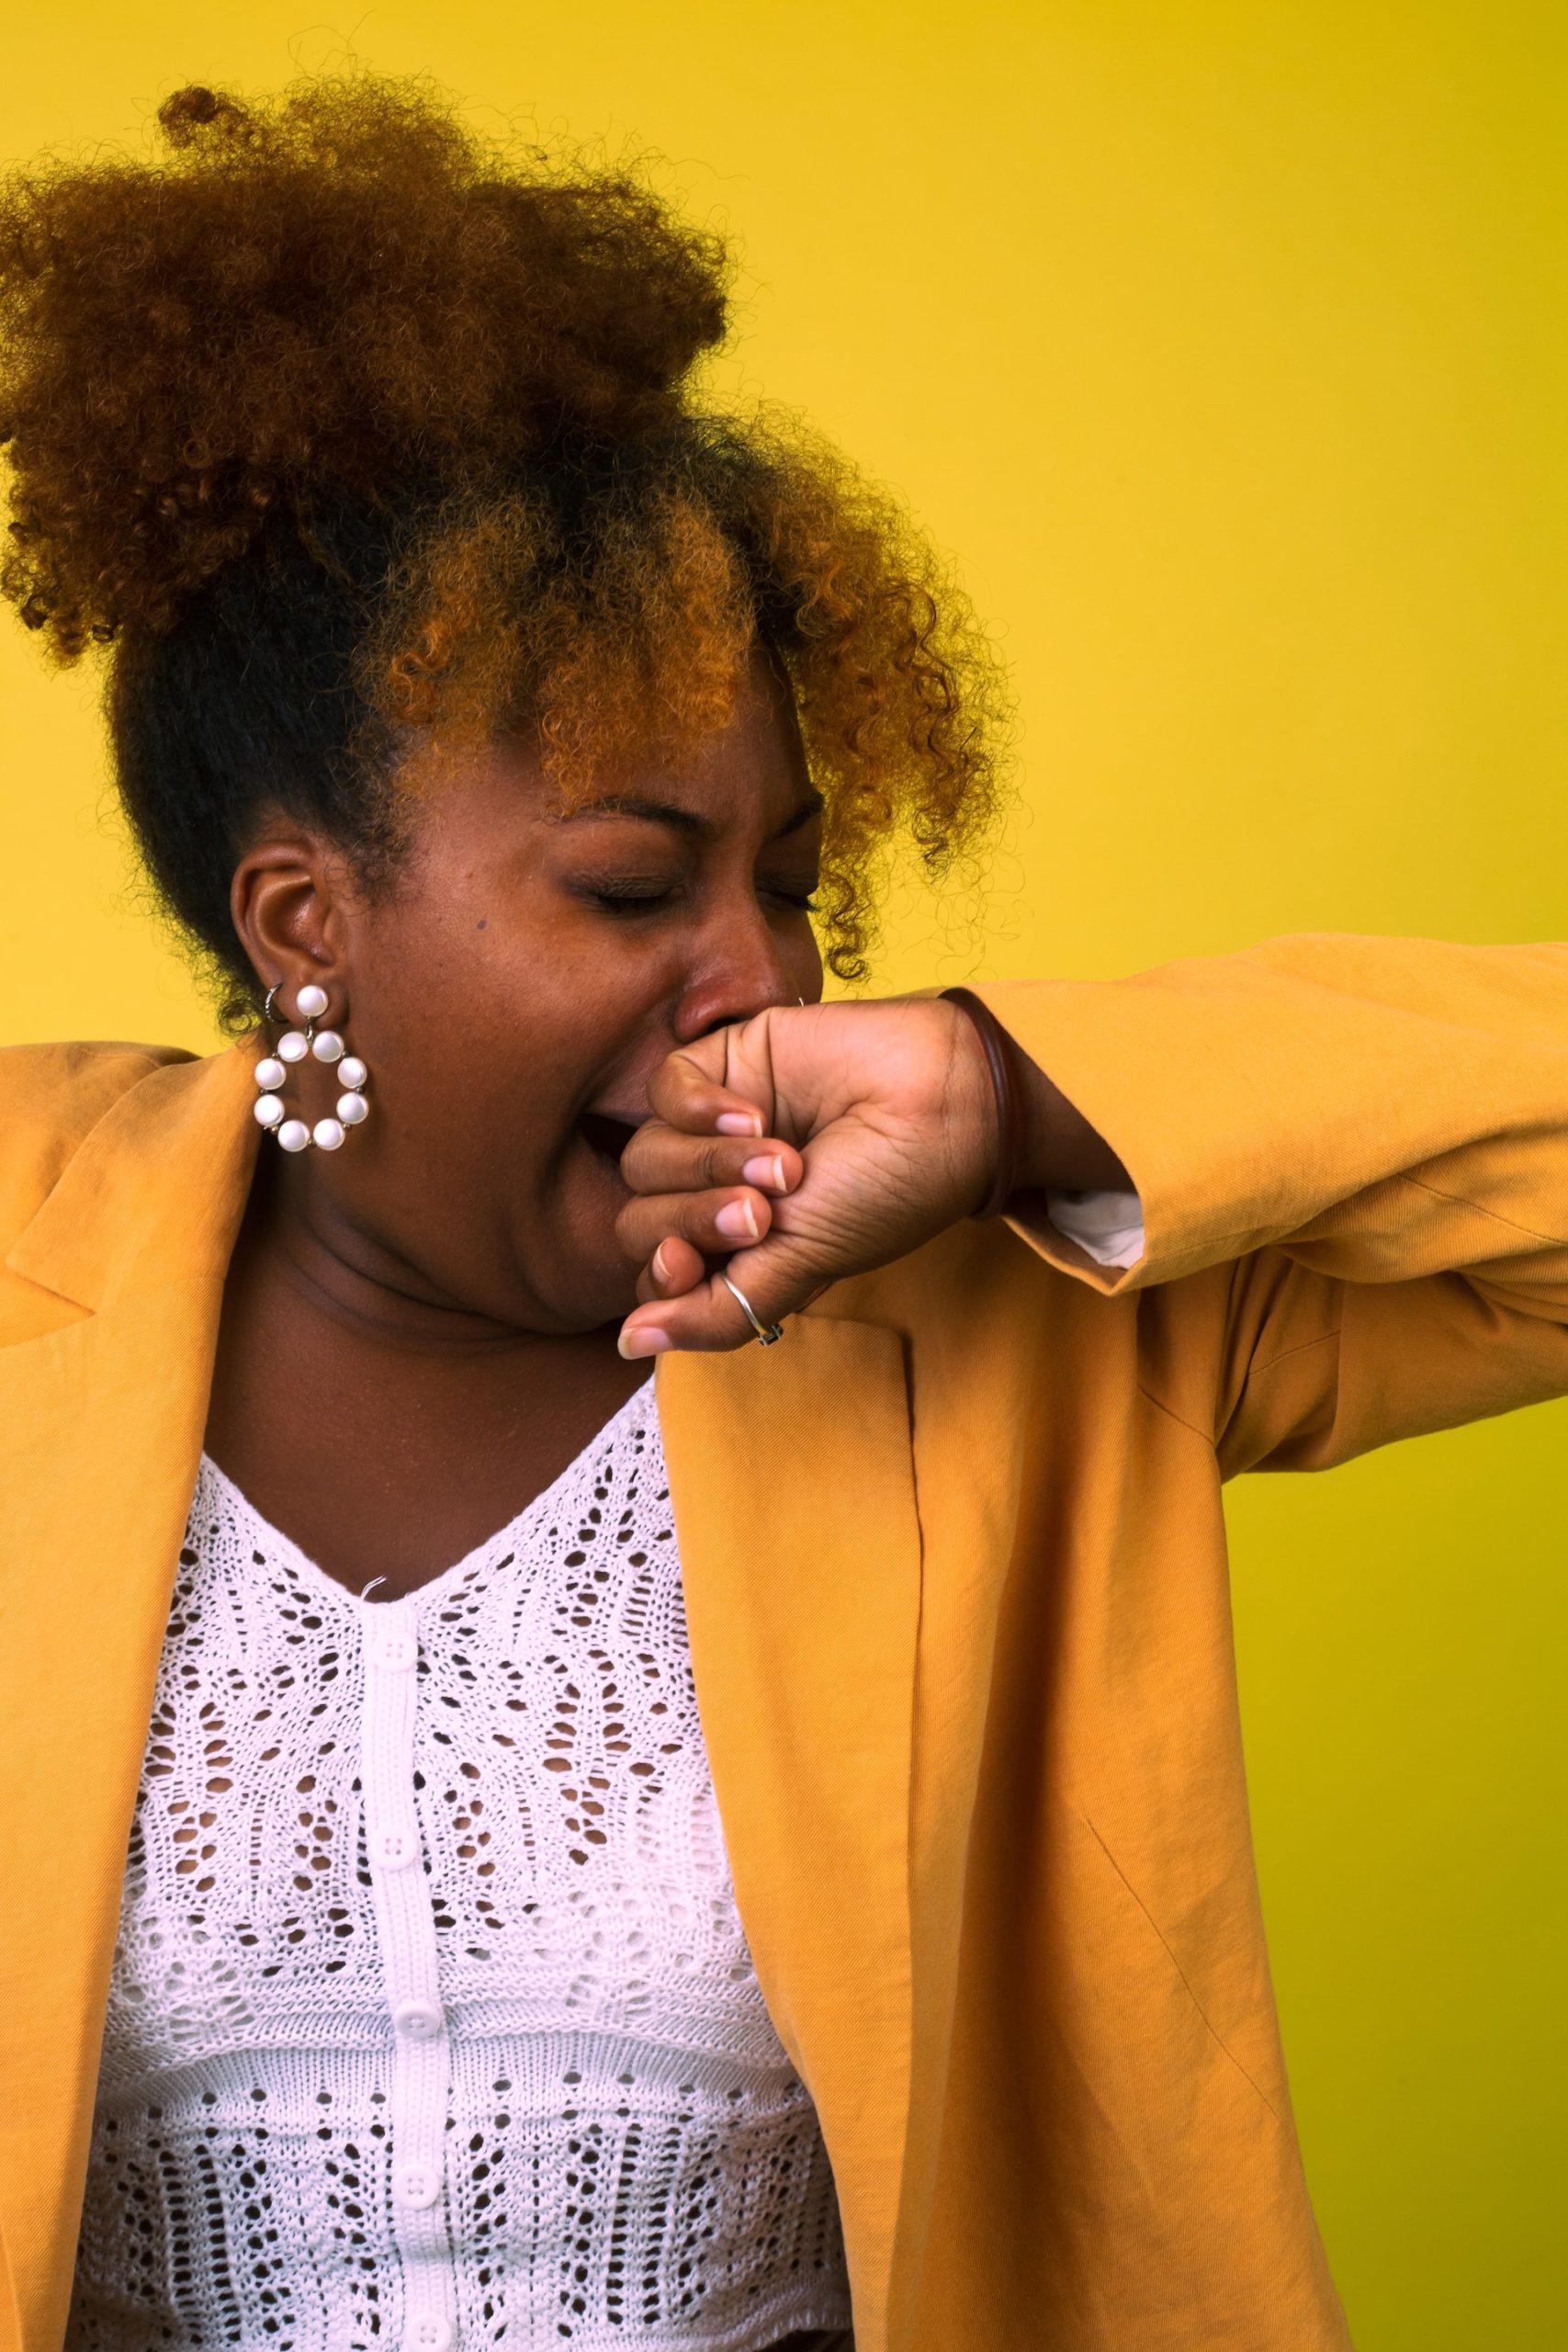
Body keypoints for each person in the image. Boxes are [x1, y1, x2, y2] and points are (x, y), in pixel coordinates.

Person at [0, 74, 1562, 2352]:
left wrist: (1013, 1086)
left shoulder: (1025, 1296)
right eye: (636, 880)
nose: (764, 978)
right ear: (300, 916)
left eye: (791, 884)